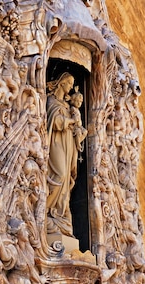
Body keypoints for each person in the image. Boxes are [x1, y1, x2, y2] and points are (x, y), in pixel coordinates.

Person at [46, 72, 87, 237]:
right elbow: (55, 122)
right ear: (61, 83)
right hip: (56, 142)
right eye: (69, 83)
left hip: (69, 144)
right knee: (60, 175)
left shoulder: (68, 106)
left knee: (67, 181)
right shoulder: (52, 101)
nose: (71, 87)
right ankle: (46, 210)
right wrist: (70, 121)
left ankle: (60, 213)